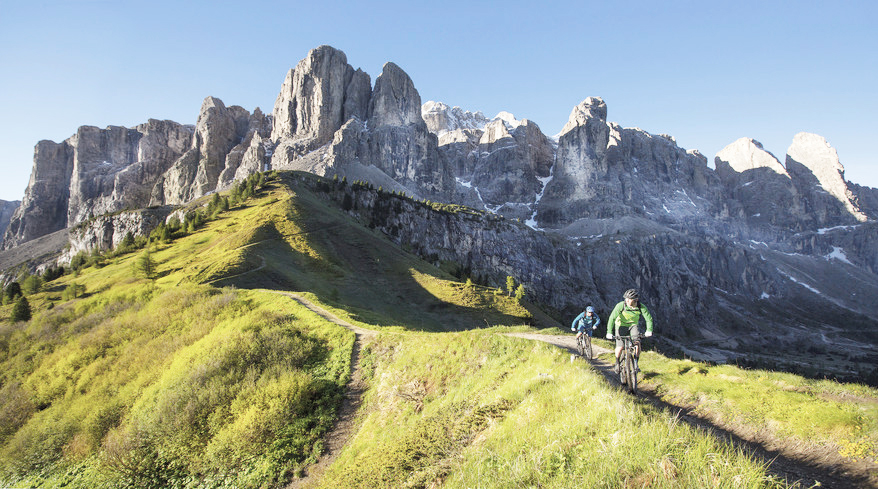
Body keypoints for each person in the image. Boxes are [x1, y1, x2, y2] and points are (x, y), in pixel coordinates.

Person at [605, 289, 654, 374]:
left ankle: (636, 364)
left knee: (637, 344)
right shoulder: (621, 305)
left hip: (633, 326)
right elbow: (612, 318)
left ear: (636, 300)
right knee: (620, 347)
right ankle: (617, 362)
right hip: (620, 326)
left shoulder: (641, 307)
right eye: (626, 298)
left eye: (629, 299)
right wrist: (609, 332)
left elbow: (648, 319)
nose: (626, 300)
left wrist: (649, 330)